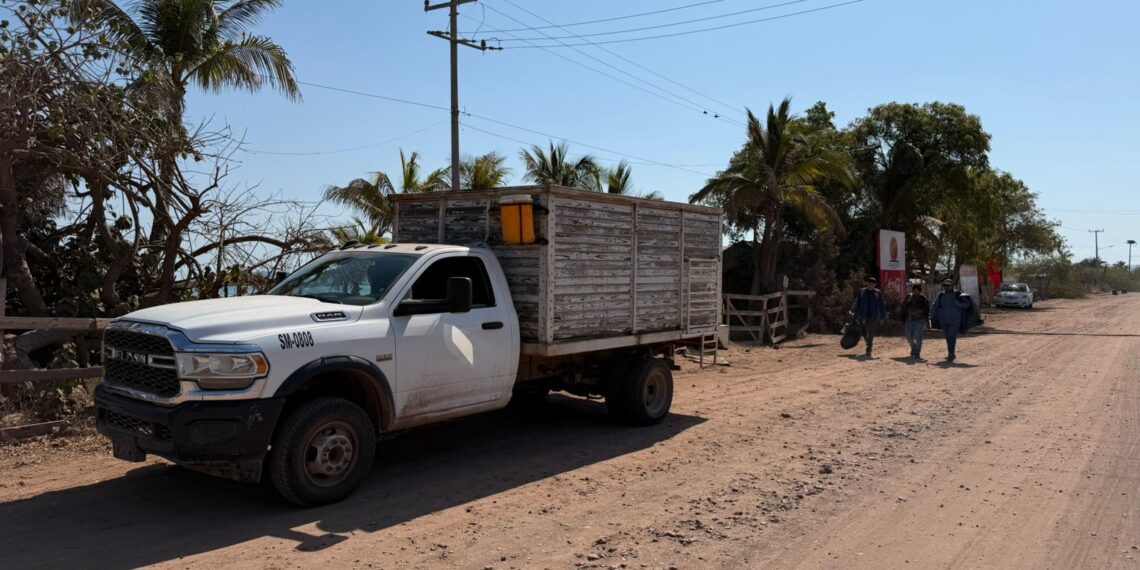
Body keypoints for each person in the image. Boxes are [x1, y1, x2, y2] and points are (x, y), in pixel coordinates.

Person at [930, 278, 972, 361]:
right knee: (948, 337)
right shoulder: (941, 295)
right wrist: (931, 315)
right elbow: (935, 306)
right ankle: (951, 353)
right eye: (945, 285)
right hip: (943, 320)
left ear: (952, 286)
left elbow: (967, 304)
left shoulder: (958, 294)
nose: (946, 287)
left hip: (955, 320)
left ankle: (951, 353)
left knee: (952, 336)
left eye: (948, 285)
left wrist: (959, 304)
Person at [853, 275, 886, 357]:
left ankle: (869, 349)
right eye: (870, 283)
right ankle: (868, 342)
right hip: (863, 315)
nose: (871, 285)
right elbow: (858, 303)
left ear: (875, 284)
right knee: (864, 332)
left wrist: (882, 315)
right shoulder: (862, 291)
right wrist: (855, 313)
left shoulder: (877, 292)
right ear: (867, 283)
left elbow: (881, 305)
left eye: (873, 283)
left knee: (871, 332)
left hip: (873, 316)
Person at [901, 283, 930, 360]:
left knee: (918, 336)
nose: (915, 292)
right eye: (914, 290)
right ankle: (913, 347)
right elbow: (903, 307)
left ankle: (917, 352)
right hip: (909, 319)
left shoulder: (924, 299)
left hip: (919, 320)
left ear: (919, 291)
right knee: (908, 335)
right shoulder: (908, 297)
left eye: (916, 290)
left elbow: (927, 311)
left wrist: (926, 321)